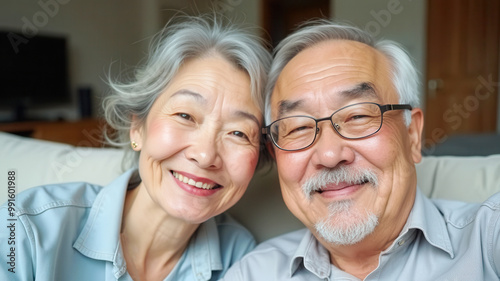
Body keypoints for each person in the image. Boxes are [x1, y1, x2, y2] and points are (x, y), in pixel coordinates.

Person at [222, 19, 500, 280]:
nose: (330, 155)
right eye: (298, 127)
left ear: (412, 135)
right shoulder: (253, 273)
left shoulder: (487, 240)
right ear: (274, 155)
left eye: (358, 116)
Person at [0, 14, 271, 281]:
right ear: (137, 128)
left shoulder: (242, 258)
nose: (205, 155)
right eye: (185, 116)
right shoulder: (25, 230)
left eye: (238, 133)